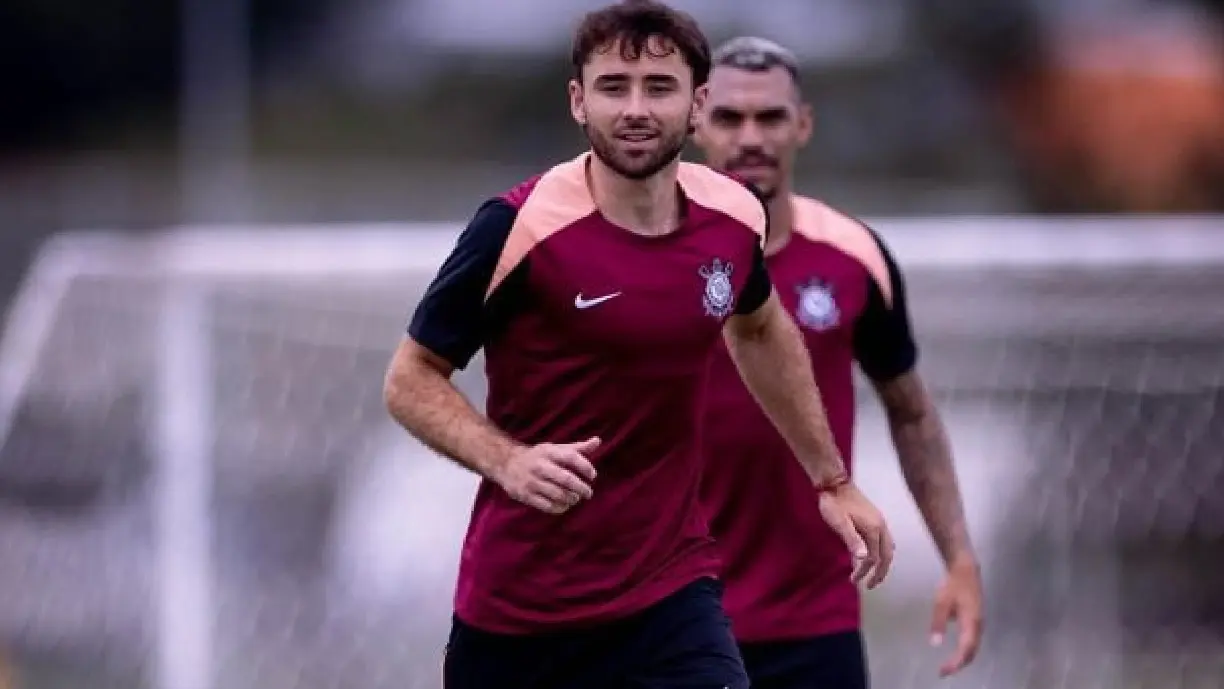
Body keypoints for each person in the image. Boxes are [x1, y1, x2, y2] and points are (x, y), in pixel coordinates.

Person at [382, 3, 896, 688]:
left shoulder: (732, 216)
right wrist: (508, 461)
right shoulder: (518, 227)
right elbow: (410, 378)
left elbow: (761, 326)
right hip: (521, 610)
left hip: (668, 591)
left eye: (659, 86)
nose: (635, 107)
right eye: (613, 86)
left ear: (697, 103)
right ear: (578, 100)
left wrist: (831, 480)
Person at [691, 36, 985, 689]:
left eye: (770, 117)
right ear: (696, 122)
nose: (750, 137)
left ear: (803, 124)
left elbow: (910, 411)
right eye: (729, 117)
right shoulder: (651, 254)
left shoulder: (854, 256)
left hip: (813, 621)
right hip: (674, 618)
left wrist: (958, 557)